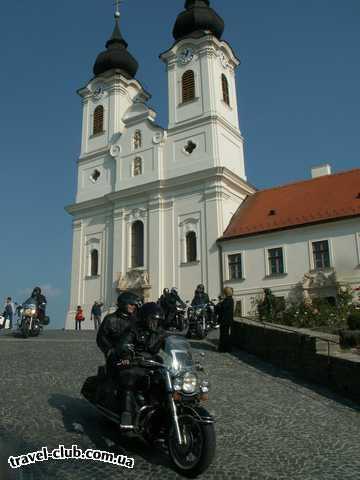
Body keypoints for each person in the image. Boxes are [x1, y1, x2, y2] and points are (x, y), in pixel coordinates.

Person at [112, 302, 167, 428]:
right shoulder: (134, 329)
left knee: (167, 379)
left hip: (152, 363)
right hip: (134, 361)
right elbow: (123, 345)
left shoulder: (160, 332)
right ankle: (127, 415)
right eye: (153, 319)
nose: (155, 323)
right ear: (145, 318)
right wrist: (126, 352)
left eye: (158, 320)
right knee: (130, 376)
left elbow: (170, 346)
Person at [96, 291, 141, 361]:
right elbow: (101, 338)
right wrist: (110, 351)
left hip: (134, 356)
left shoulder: (136, 320)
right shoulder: (110, 319)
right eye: (131, 304)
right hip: (115, 356)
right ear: (123, 303)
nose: (134, 306)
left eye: (135, 305)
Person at [218, 287, 234, 353]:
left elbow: (222, 308)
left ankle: (224, 349)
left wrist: (220, 303)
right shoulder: (229, 299)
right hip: (226, 320)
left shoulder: (228, 300)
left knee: (224, 335)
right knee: (224, 335)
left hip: (225, 320)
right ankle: (224, 348)